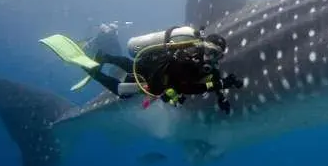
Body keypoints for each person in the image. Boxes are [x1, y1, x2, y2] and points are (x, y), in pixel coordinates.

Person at [86, 31, 243, 113]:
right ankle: (98, 66)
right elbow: (186, 88)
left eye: (216, 55)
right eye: (210, 51)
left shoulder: (210, 69)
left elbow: (212, 82)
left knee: (128, 74)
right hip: (155, 75)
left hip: (160, 82)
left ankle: (101, 64)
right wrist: (221, 84)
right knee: (124, 84)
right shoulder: (186, 56)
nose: (210, 57)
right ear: (202, 46)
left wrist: (221, 97)